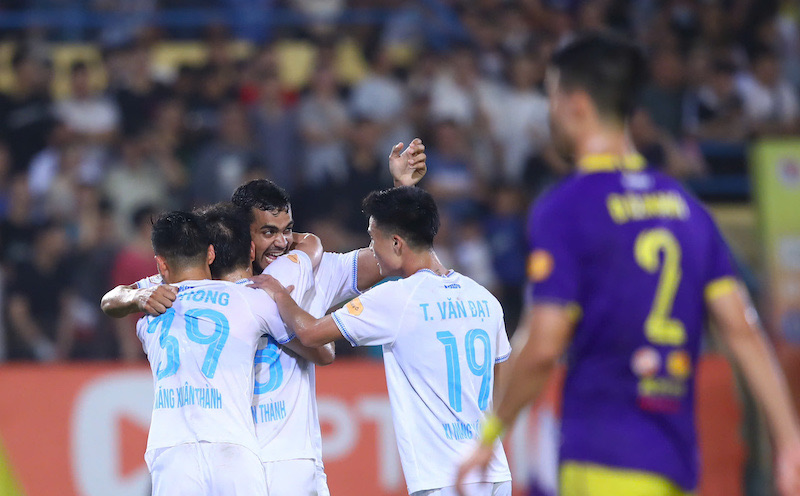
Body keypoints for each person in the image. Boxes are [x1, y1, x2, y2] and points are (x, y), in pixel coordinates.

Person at [455, 32, 800, 496]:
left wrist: (491, 433)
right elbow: (742, 327)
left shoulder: (566, 206)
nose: (550, 111)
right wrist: (790, 439)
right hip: (673, 462)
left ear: (576, 104)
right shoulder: (685, 206)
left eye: (552, 97)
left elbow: (543, 345)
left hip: (601, 455)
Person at [102, 138, 428, 496]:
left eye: (288, 229)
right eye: (269, 231)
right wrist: (139, 295)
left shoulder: (314, 273)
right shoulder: (201, 277)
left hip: (290, 459)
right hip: (231, 456)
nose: (281, 242)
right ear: (245, 234)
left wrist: (402, 192)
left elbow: (386, 258)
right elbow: (116, 295)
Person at [254, 187, 512, 496]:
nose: (371, 249)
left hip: (444, 477)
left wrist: (278, 293)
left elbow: (310, 333)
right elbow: (499, 390)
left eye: (373, 239)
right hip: (494, 471)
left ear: (396, 243)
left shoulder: (397, 298)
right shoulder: (484, 298)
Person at [137, 210, 309, 496]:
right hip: (233, 448)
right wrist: (281, 298)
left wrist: (135, 296)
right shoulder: (250, 300)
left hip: (172, 452)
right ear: (210, 254)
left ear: (161, 264)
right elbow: (318, 348)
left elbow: (111, 301)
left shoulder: (149, 315)